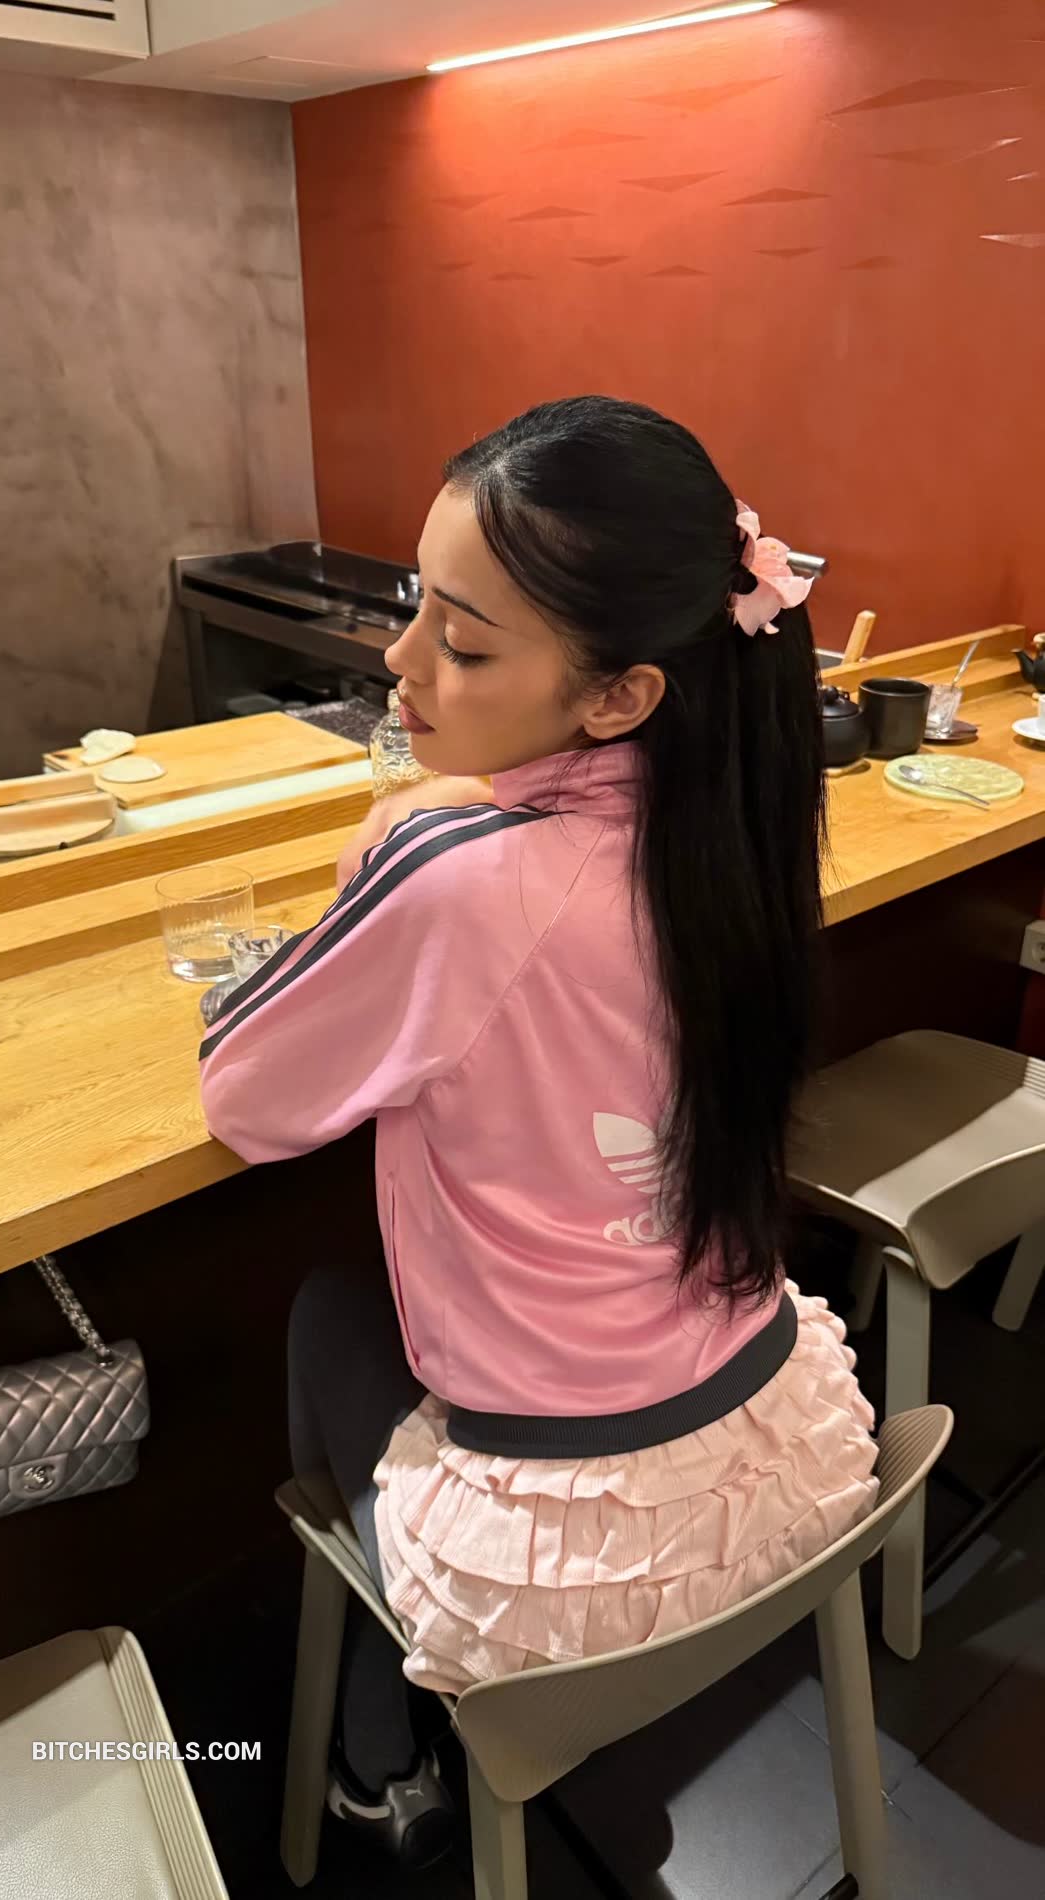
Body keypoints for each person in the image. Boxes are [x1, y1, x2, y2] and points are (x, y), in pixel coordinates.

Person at [199, 397, 877, 1867]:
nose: (398, 662)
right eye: (414, 607)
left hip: (561, 1574)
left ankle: (380, 1763)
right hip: (782, 1449)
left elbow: (245, 1096)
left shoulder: (458, 872)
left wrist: (390, 841)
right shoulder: (739, 828)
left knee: (326, 1316)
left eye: (460, 642)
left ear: (619, 696)